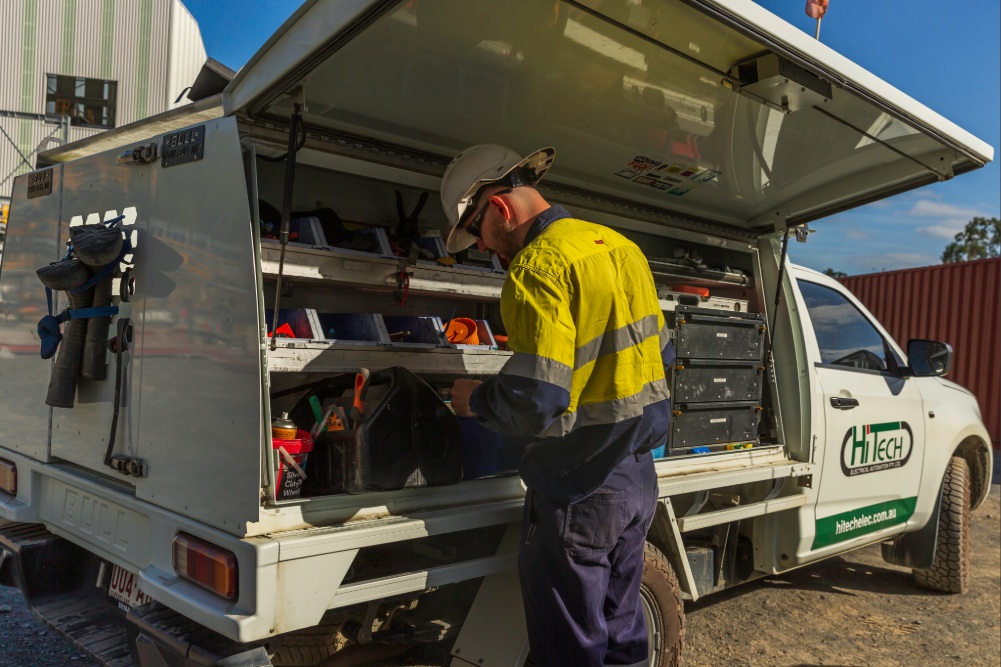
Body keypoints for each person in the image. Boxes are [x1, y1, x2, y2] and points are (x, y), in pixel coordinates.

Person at [443, 144, 674, 667]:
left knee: (570, 649)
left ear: (499, 209)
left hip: (582, 484)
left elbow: (537, 398)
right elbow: (660, 358)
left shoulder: (537, 267)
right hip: (638, 478)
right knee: (623, 634)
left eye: (479, 235)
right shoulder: (622, 249)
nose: (488, 250)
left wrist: (473, 400)